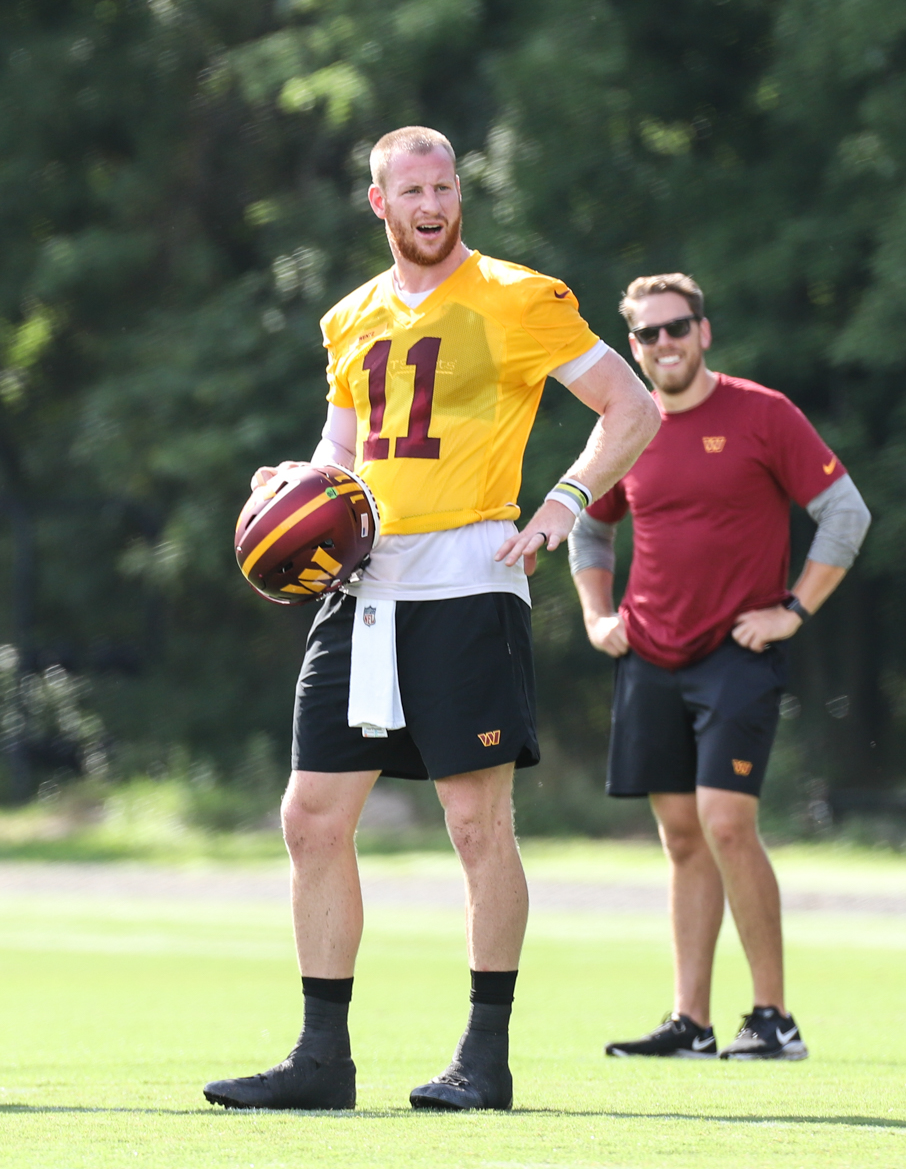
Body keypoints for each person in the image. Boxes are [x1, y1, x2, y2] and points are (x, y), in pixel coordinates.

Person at [203, 127, 659, 1111]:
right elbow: (341, 444)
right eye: (411, 188)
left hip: (467, 573)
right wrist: (291, 481)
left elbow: (628, 407)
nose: (431, 203)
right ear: (379, 202)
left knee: (473, 822)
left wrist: (565, 502)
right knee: (311, 817)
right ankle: (323, 1057)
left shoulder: (518, 296)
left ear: (460, 193)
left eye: (444, 185)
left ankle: (483, 1057)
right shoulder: (349, 316)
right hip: (362, 584)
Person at [569, 273, 870, 1060]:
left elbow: (846, 512)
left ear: (704, 332)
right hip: (649, 654)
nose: (664, 344)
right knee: (679, 837)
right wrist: (597, 614)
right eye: (647, 334)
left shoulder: (763, 414)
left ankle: (773, 1017)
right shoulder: (625, 423)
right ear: (631, 345)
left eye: (678, 328)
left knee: (727, 821)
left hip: (737, 652)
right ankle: (690, 1022)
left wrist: (794, 610)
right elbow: (587, 526)